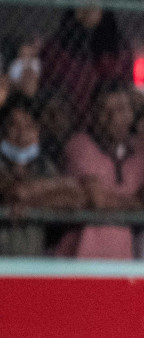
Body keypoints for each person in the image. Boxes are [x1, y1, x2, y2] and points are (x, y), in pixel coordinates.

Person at [62, 82, 144, 259]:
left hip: (121, 260)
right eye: (106, 111)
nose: (114, 117)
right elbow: (97, 199)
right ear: (95, 115)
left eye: (122, 109)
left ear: (132, 115)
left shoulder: (139, 153)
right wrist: (137, 203)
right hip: (80, 259)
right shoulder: (81, 145)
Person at [40, 0, 134, 123]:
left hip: (110, 120)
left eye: (93, 2)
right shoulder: (57, 48)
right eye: (82, 2)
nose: (88, 8)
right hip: (70, 120)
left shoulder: (117, 46)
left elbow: (125, 86)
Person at [0, 96, 84, 255]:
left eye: (29, 126)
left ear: (37, 131)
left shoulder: (43, 165)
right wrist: (56, 186)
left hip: (33, 265)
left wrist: (32, 202)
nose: (22, 134)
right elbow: (16, 191)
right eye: (14, 126)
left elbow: (74, 197)